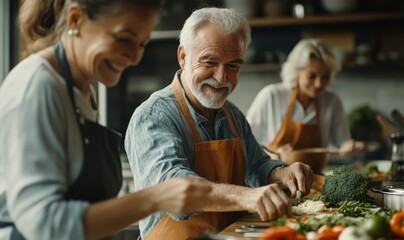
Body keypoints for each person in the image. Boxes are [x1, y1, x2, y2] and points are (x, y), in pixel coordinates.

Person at [0, 0, 213, 239]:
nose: (134, 58)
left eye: (141, 44)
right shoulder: (37, 87)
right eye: (123, 39)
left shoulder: (83, 91)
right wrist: (155, 197)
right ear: (75, 19)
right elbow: (44, 225)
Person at [125, 7, 314, 240]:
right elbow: (174, 189)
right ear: (183, 57)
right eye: (209, 62)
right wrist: (247, 197)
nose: (221, 77)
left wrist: (283, 173)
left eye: (233, 66)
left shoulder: (231, 113)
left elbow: (256, 166)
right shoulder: (154, 116)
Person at [246, 38, 364, 158]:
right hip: (276, 173)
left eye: (325, 77)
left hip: (316, 174)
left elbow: (342, 142)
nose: (319, 84)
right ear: (297, 71)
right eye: (312, 76)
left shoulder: (332, 101)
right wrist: (271, 153)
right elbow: (245, 142)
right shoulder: (271, 95)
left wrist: (348, 146)